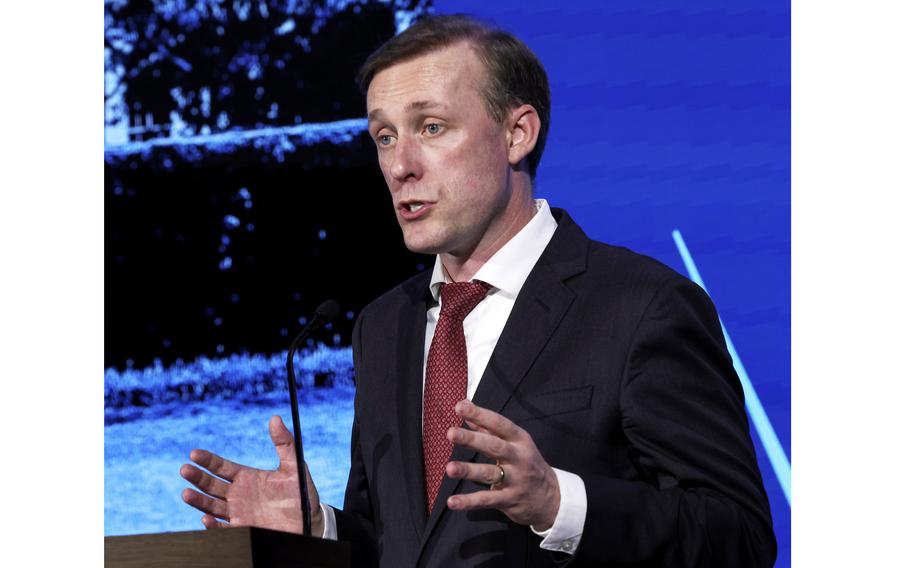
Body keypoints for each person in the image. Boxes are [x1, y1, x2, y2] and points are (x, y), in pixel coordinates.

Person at [180, 14, 777, 567]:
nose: (399, 165)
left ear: (518, 134)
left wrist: (557, 502)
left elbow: (739, 537)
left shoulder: (642, 306)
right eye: (384, 136)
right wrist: (324, 531)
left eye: (431, 127)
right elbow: (407, 545)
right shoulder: (384, 325)